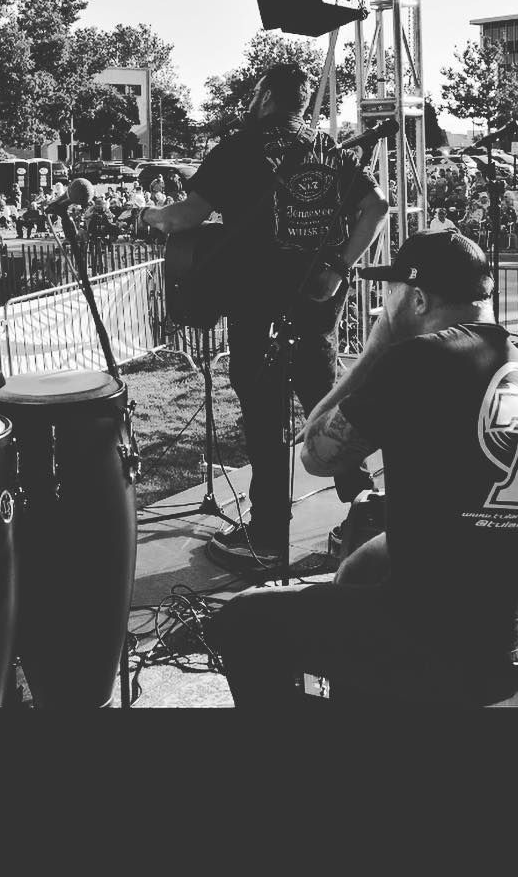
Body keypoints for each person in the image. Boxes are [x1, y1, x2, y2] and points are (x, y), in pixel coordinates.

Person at [209, 230, 518, 706]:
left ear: (417, 298)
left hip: (457, 642)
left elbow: (316, 455)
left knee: (243, 622)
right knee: (364, 571)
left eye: (391, 291)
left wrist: (379, 344)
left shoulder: (418, 357)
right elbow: (485, 511)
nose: (383, 303)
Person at [139, 61, 389, 573]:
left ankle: (269, 536)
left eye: (257, 94)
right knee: (326, 399)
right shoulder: (327, 150)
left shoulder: (240, 148)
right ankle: (368, 516)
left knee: (265, 417)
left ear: (268, 97)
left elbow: (186, 216)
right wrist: (339, 268)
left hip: (259, 305)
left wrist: (148, 216)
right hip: (317, 303)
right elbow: (378, 205)